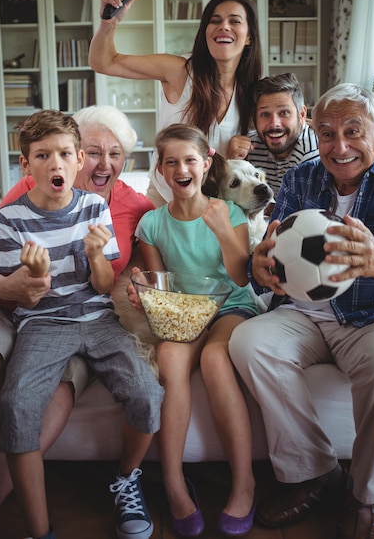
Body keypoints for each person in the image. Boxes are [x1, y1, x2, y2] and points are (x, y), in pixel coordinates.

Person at [0, 105, 158, 539]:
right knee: (17, 407)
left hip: (98, 318)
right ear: (26, 163)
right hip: (43, 325)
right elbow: (28, 294)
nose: (55, 163)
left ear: (76, 161)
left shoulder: (95, 207)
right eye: (42, 155)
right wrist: (33, 274)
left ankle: (125, 477)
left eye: (64, 154)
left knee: (148, 395)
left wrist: (95, 255)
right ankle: (40, 529)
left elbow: (105, 281)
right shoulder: (12, 217)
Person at [229, 84, 374, 539]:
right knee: (249, 342)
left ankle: (368, 496)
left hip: (371, 316)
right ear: (314, 131)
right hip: (303, 314)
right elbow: (269, 254)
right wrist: (258, 266)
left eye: (353, 132)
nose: (339, 147)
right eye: (328, 133)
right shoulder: (302, 177)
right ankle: (317, 473)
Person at [130, 123, 263, 537]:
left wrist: (223, 227)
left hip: (231, 306)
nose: (181, 168)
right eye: (171, 162)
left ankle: (244, 483)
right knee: (169, 355)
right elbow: (160, 286)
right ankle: (173, 485)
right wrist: (142, 292)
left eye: (190, 160)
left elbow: (243, 279)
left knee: (214, 358)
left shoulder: (231, 212)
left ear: (206, 166)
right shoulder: (152, 225)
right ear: (160, 170)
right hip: (187, 311)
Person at [89, 0, 263, 205]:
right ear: (205, 31)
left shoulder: (252, 91)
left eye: (235, 21)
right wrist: (109, 23)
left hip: (219, 205)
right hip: (166, 201)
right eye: (215, 20)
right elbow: (103, 61)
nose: (224, 27)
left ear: (249, 37)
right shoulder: (180, 71)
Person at [246, 72, 319, 199]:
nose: (274, 124)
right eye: (265, 114)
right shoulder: (250, 147)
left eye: (284, 112)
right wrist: (232, 158)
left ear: (301, 115)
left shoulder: (311, 153)